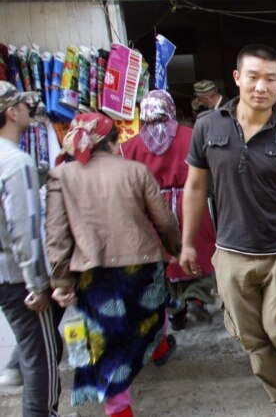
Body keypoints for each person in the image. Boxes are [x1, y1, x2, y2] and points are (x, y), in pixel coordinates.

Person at [178, 45, 276, 417]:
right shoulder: (208, 127)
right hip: (230, 251)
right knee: (252, 338)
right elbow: (195, 188)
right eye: (254, 77)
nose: (262, 86)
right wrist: (187, 244)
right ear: (237, 78)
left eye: (271, 79)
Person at [47, 112, 182, 417]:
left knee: (109, 341)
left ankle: (119, 410)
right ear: (113, 141)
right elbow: (163, 219)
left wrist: (62, 281)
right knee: (152, 311)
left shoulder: (61, 176)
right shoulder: (135, 170)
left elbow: (57, 233)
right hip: (142, 265)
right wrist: (175, 249)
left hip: (93, 275)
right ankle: (158, 347)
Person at [120, 90, 217, 331]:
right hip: (190, 203)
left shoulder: (129, 146)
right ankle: (196, 297)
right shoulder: (191, 135)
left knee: (164, 258)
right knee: (199, 250)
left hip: (153, 209)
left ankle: (174, 308)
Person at [0, 81, 64, 416]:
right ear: (12, 112)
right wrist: (35, 284)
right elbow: (22, 230)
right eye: (24, 106)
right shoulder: (15, 161)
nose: (29, 111)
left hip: (4, 276)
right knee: (42, 357)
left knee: (33, 349)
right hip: (16, 277)